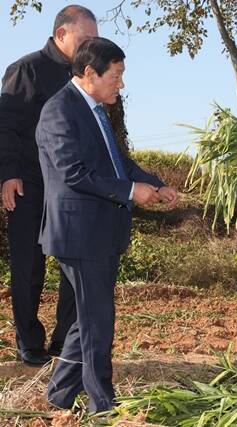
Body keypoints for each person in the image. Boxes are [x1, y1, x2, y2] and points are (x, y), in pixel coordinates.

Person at [36, 37, 179, 413]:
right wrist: (132, 192)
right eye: (116, 75)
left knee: (88, 319)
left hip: (100, 232)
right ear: (89, 73)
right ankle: (103, 406)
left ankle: (59, 395)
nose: (121, 83)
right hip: (80, 233)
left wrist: (157, 184)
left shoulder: (99, 110)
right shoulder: (59, 111)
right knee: (99, 322)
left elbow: (121, 163)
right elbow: (74, 172)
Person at [0, 5, 98, 366]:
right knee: (28, 266)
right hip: (29, 186)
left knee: (74, 265)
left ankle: (62, 340)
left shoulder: (85, 76)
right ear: (61, 34)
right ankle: (29, 340)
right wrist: (8, 175)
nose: (92, 45)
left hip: (72, 188)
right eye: (85, 38)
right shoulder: (26, 69)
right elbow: (6, 126)